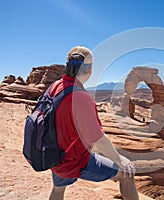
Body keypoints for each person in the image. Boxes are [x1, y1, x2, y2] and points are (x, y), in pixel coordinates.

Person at [48, 46, 139, 200]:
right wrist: (119, 159)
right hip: (74, 161)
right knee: (126, 174)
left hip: (55, 156)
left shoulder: (54, 87)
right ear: (90, 70)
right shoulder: (81, 97)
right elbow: (97, 139)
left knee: (58, 189)